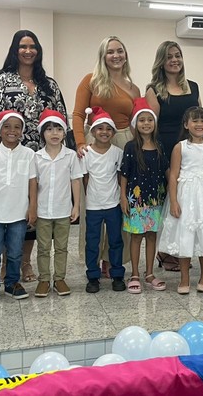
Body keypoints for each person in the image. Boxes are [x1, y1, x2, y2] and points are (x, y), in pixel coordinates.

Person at [0, 30, 68, 283]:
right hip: (10, 152)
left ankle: (25, 261)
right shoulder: (2, 78)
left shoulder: (49, 84)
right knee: (8, 205)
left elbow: (61, 117)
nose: (28, 51)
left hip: (41, 154)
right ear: (15, 50)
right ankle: (6, 262)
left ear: (38, 51)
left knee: (30, 206)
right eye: (23, 46)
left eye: (32, 47)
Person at [72, 36, 139, 276]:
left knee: (118, 204)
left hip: (124, 142)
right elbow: (78, 114)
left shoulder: (133, 88)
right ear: (103, 56)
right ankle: (94, 257)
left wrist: (138, 150)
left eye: (120, 51)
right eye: (110, 51)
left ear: (125, 55)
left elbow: (136, 121)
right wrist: (80, 142)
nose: (116, 55)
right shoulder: (91, 81)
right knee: (93, 201)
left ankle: (113, 259)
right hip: (94, 141)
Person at [158, 107, 203, 294]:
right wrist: (174, 201)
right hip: (186, 196)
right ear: (186, 124)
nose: (199, 124)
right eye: (195, 121)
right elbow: (173, 175)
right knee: (186, 236)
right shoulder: (180, 147)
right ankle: (184, 278)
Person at [144, 41, 201, 273]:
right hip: (165, 150)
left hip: (190, 151)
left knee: (185, 201)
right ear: (161, 61)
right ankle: (165, 250)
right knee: (167, 201)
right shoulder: (154, 90)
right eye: (169, 57)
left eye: (178, 55)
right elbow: (150, 126)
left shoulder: (193, 87)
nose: (175, 60)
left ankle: (181, 248)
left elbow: (199, 118)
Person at [0, 110, 37, 304]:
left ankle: (12, 283)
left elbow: (33, 182)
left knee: (15, 252)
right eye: (7, 127)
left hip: (19, 213)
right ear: (0, 130)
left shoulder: (29, 154)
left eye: (17, 127)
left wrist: (32, 207)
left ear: (22, 131)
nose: (12, 131)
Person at [120, 99, 169, 294]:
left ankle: (149, 273)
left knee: (151, 236)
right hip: (136, 201)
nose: (146, 123)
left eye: (150, 120)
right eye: (142, 120)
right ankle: (134, 274)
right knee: (136, 236)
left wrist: (175, 192)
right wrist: (123, 197)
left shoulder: (160, 146)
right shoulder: (130, 147)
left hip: (156, 200)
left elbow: (166, 171)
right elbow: (124, 174)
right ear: (135, 124)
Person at [33, 110, 83, 297]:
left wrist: (76, 206)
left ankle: (60, 278)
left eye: (59, 129)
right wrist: (32, 208)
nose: (54, 133)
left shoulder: (70, 156)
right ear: (42, 133)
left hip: (63, 210)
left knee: (62, 247)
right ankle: (44, 279)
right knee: (43, 248)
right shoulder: (36, 157)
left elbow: (75, 181)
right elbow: (33, 185)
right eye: (49, 129)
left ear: (64, 132)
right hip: (42, 211)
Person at [81, 106, 126, 293]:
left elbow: (120, 177)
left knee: (115, 240)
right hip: (93, 206)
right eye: (100, 128)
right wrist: (89, 198)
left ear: (113, 133)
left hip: (113, 204)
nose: (104, 132)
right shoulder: (86, 153)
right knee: (92, 242)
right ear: (93, 131)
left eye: (108, 129)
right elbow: (85, 179)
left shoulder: (117, 153)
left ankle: (117, 274)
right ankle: (93, 276)